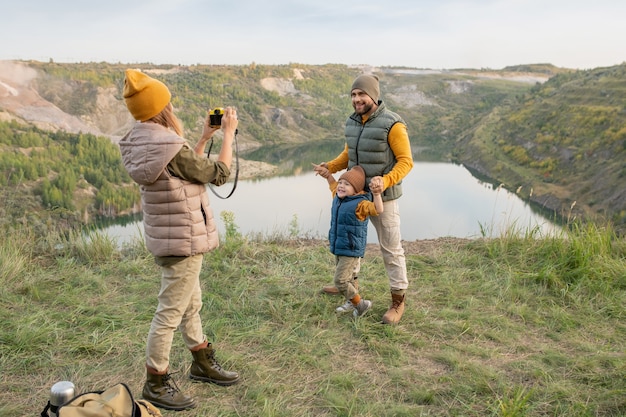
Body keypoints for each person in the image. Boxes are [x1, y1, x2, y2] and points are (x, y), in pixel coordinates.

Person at [119, 69, 240, 411]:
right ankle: (156, 381)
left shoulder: (145, 141)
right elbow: (217, 174)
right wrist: (227, 136)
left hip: (167, 236)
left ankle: (201, 362)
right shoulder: (169, 145)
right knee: (170, 313)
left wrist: (202, 138)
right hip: (183, 238)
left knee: (190, 303)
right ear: (161, 108)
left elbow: (182, 168)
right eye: (168, 102)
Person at [313, 74, 414, 325]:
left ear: (374, 96)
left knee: (391, 249)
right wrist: (331, 167)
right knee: (350, 243)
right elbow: (350, 154)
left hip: (384, 198)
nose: (357, 99)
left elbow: (406, 161)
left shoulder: (393, 124)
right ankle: (348, 286)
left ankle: (398, 301)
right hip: (355, 197)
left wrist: (386, 181)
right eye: (353, 95)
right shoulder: (353, 122)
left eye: (361, 94)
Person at [313, 164, 384, 317]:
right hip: (339, 246)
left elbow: (378, 210)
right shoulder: (338, 197)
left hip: (351, 249)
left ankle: (361, 304)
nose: (341, 186)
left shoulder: (361, 204)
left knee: (340, 280)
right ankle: (352, 303)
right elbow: (333, 185)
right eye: (341, 183)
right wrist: (327, 175)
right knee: (349, 278)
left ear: (356, 189)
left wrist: (377, 194)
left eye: (347, 184)